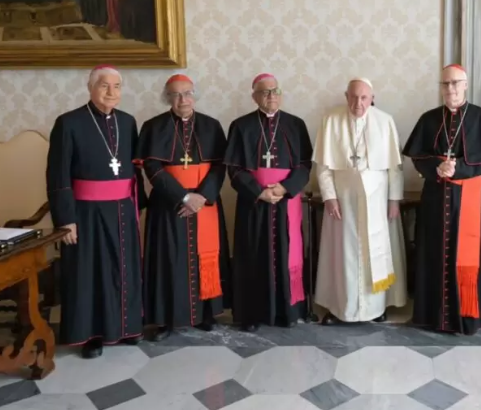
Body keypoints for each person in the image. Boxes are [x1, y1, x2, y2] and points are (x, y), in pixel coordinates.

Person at [46, 65, 146, 359]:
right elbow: (57, 175)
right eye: (104, 86)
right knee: (90, 273)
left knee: (124, 269)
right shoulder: (68, 123)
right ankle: (90, 335)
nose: (111, 92)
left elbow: (132, 170)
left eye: (117, 86)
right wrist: (66, 220)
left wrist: (137, 207)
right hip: (85, 213)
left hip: (122, 211)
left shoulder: (128, 122)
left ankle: (127, 327)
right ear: (90, 88)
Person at [402, 64, 481, 335]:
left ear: (466, 84)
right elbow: (417, 156)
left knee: (467, 256)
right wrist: (436, 166)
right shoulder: (429, 118)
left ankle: (467, 317)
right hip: (436, 197)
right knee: (433, 253)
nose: (450, 88)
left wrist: (458, 169)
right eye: (445, 83)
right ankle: (431, 316)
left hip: (468, 197)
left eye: (455, 83)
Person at [137, 74, 232, 341]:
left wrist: (201, 197)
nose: (183, 99)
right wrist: (183, 197)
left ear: (195, 95)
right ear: (167, 98)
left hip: (205, 205)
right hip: (169, 205)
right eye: (176, 95)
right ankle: (167, 320)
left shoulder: (211, 126)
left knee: (205, 257)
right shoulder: (153, 127)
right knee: (169, 260)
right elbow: (152, 167)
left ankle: (205, 313)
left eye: (188, 93)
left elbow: (219, 166)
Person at [313, 78, 408, 324]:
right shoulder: (331, 120)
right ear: (346, 96)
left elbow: (395, 168)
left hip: (377, 202)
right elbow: (323, 166)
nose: (358, 103)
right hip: (342, 201)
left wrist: (394, 200)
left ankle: (376, 308)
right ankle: (340, 308)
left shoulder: (385, 121)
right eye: (354, 97)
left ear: (372, 97)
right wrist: (330, 197)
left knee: (375, 252)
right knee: (344, 254)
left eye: (364, 98)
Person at [224, 73, 312, 331]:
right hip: (254, 202)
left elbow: (306, 164)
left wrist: (285, 188)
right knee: (253, 254)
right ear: (254, 97)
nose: (271, 95)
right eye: (264, 92)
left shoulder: (296, 125)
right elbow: (234, 168)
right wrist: (258, 191)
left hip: (286, 200)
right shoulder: (241, 126)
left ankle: (288, 311)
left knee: (288, 255)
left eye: (275, 90)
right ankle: (252, 314)